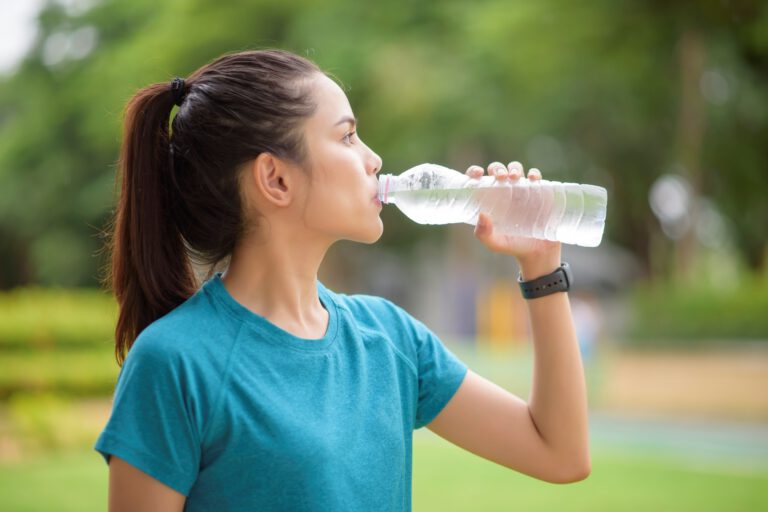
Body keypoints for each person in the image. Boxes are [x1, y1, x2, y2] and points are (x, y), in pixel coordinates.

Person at [95, 49, 590, 511]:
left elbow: (560, 454)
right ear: (276, 179)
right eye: (347, 136)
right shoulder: (174, 363)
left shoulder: (391, 338)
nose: (373, 159)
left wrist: (541, 267)